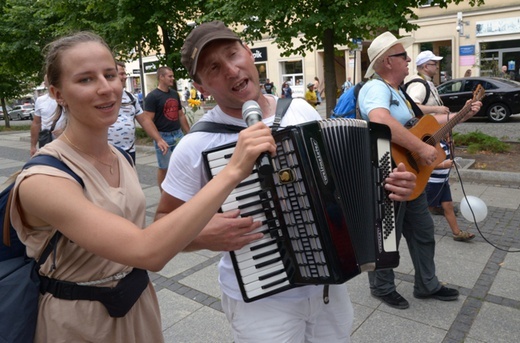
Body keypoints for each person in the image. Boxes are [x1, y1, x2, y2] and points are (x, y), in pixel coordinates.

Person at [155, 21, 416, 342]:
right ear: (201, 86)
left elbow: (339, 188)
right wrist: (205, 235)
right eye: (213, 67)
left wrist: (388, 188)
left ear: (249, 53)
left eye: (233, 54)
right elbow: (162, 227)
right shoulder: (196, 145)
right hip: (263, 301)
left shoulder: (301, 110)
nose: (231, 70)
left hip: (328, 289)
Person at [10, 31, 274, 343]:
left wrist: (202, 233)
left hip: (138, 307)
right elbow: (146, 251)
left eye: (110, 75)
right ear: (57, 93)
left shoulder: (120, 157)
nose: (106, 88)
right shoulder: (43, 179)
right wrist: (231, 172)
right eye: (85, 80)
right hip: (80, 322)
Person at [358, 31, 482, 310]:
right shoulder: (375, 87)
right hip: (388, 174)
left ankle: (427, 284)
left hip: (411, 175)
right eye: (403, 55)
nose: (408, 59)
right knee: (388, 236)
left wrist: (461, 113)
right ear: (388, 61)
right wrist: (423, 149)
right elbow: (380, 121)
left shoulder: (398, 92)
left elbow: (426, 122)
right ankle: (382, 287)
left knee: (423, 232)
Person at [142, 66, 190, 191]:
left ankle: (180, 191)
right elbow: (147, 120)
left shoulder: (174, 94)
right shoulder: (152, 97)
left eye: (173, 76)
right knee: (164, 167)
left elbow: (180, 114)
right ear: (161, 77)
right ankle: (163, 194)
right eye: (170, 76)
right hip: (163, 136)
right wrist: (158, 139)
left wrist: (189, 133)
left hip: (178, 135)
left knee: (182, 164)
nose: (173, 79)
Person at [107, 61, 160, 163]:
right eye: (122, 74)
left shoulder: (131, 97)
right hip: (107, 151)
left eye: (125, 74)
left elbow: (144, 120)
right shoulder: (102, 97)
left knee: (130, 178)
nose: (125, 77)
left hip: (129, 150)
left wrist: (159, 140)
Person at [425, 140, 475, 242]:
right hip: (432, 183)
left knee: (448, 206)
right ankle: (418, 230)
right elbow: (427, 164)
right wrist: (443, 165)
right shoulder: (433, 144)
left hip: (443, 182)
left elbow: (450, 158)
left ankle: (457, 233)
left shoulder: (444, 143)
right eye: (447, 129)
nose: (449, 132)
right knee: (425, 209)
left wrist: (451, 146)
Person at [406, 50, 452, 117]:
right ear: (426, 67)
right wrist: (437, 109)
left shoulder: (426, 82)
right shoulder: (419, 84)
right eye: (435, 64)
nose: (437, 67)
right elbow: (413, 107)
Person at [30, 77, 66, 156]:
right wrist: (33, 146)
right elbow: (36, 123)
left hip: (65, 141)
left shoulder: (66, 98)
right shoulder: (40, 100)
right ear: (45, 84)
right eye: (48, 81)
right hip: (47, 140)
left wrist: (64, 130)